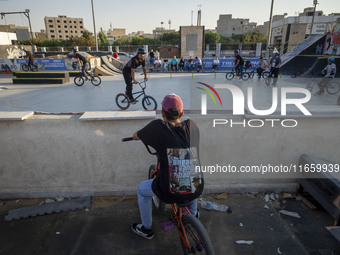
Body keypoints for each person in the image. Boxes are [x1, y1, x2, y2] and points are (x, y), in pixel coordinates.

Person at [130, 94, 203, 239]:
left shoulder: (158, 127)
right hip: (197, 187)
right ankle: (193, 215)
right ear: (181, 113)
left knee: (142, 190)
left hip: (170, 191)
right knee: (189, 173)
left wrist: (135, 137)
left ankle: (146, 229)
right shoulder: (192, 125)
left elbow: (136, 135)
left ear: (162, 113)